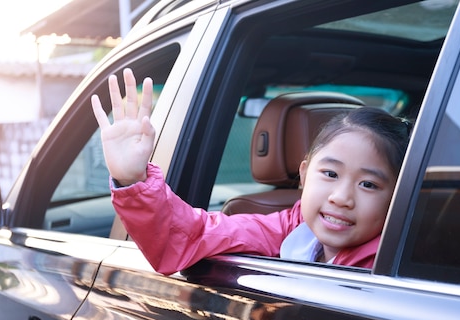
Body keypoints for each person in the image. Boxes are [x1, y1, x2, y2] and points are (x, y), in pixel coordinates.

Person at [92, 68, 410, 275]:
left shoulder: (395, 263)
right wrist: (133, 180)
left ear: (397, 196)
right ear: (304, 173)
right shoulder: (292, 229)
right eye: (330, 174)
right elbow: (192, 235)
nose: (341, 197)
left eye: (368, 184)